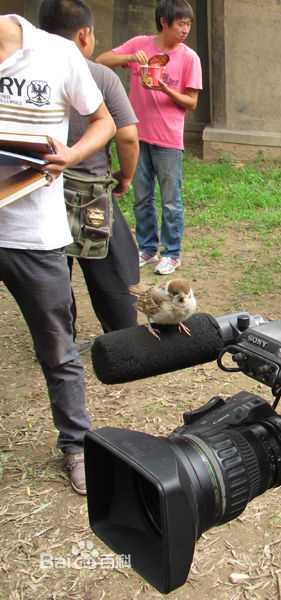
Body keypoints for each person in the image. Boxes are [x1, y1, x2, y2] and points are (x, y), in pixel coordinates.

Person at [0, 14, 115, 494]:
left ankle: (77, 444)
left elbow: (104, 121)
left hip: (34, 235)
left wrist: (71, 155)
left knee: (57, 346)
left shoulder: (58, 52)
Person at [39, 0, 140, 338]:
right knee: (108, 267)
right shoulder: (99, 75)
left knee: (52, 266)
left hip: (39, 186)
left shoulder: (26, 75)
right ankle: (121, 334)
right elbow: (127, 136)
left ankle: (57, 338)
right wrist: (125, 176)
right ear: (84, 35)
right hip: (90, 191)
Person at [96, 0, 202, 276]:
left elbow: (191, 103)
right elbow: (101, 61)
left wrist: (165, 88)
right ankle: (146, 248)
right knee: (141, 197)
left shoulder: (189, 58)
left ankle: (172, 253)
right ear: (164, 22)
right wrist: (131, 58)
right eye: (181, 23)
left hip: (169, 138)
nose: (185, 29)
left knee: (170, 200)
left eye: (188, 24)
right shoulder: (140, 44)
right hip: (137, 135)